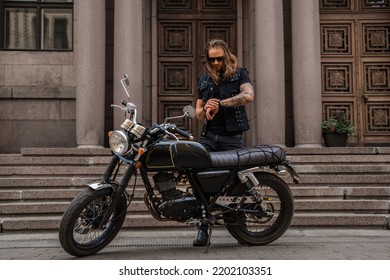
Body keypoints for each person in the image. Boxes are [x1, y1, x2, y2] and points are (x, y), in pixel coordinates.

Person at [194, 39, 254, 246]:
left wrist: (221, 103)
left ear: (227, 56)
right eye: (213, 60)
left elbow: (248, 95)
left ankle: (241, 229)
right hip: (209, 137)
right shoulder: (203, 80)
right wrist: (206, 108)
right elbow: (198, 113)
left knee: (237, 181)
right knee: (199, 180)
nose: (217, 62)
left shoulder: (240, 74)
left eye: (220, 58)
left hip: (232, 137)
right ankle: (203, 227)